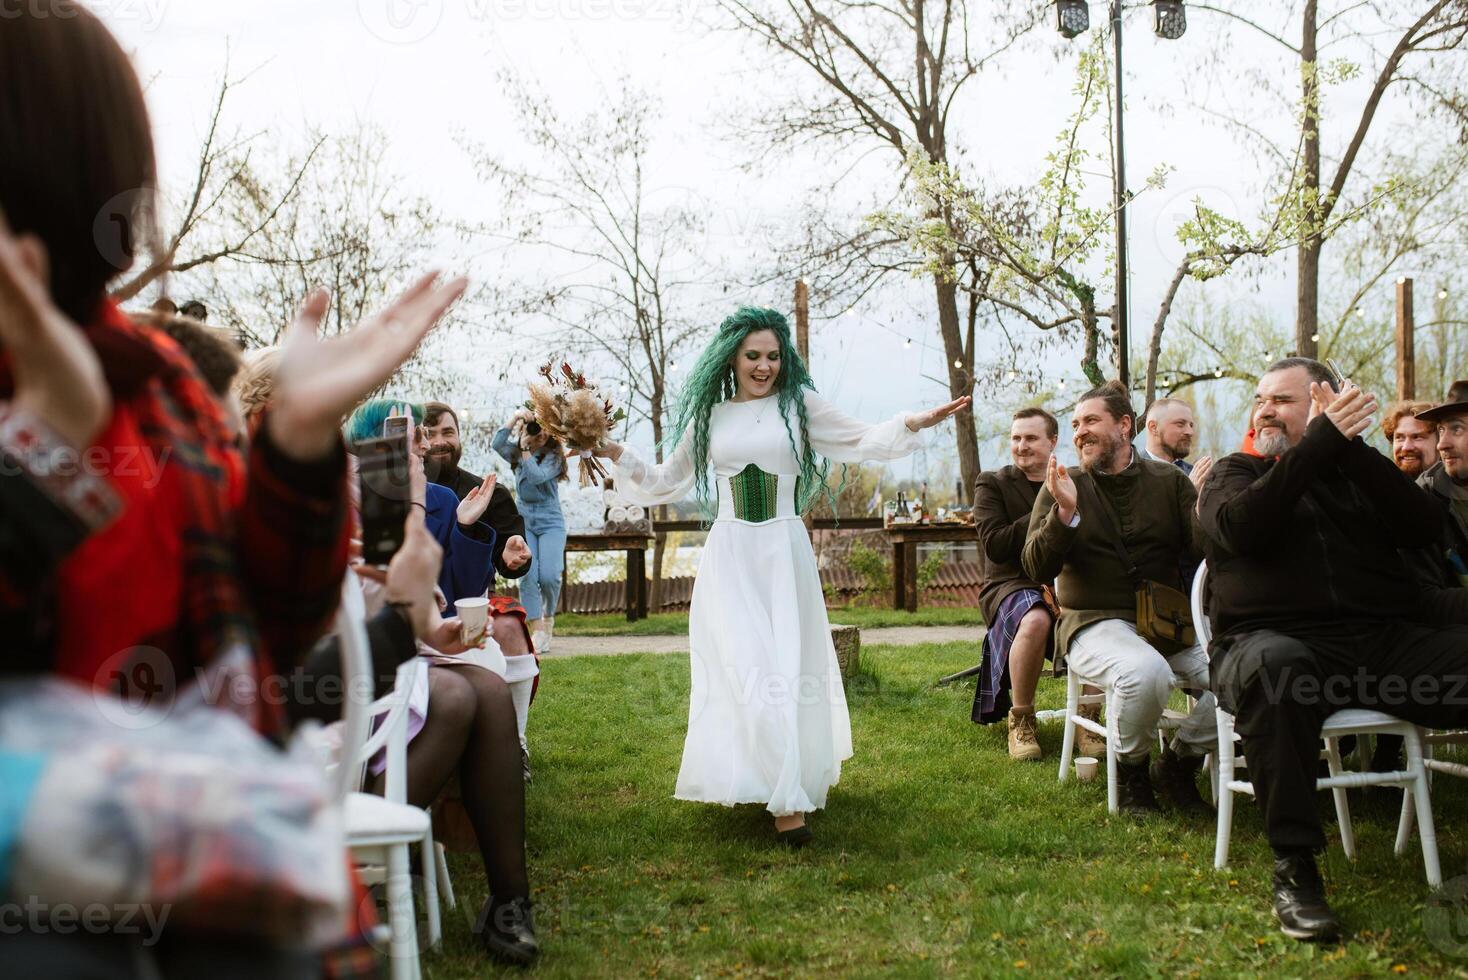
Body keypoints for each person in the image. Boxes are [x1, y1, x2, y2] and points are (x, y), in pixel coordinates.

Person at [0, 3, 467, 972]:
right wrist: (45, 445)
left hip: (204, 875)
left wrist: (299, 445)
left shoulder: (164, 385)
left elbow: (271, 639)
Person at [591, 306, 969, 844]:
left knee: (786, 670)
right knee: (745, 665)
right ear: (732, 358)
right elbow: (660, 481)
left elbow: (860, 439)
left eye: (772, 355)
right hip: (730, 557)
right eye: (753, 356)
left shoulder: (800, 407)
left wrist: (913, 422)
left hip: (783, 554)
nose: (763, 366)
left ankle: (788, 796)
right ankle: (767, 782)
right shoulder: (711, 417)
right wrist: (610, 448)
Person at [1198, 357, 1468, 943]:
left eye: (1284, 400)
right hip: (1269, 645)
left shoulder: (1355, 473)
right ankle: (1295, 870)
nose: (1265, 409)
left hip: (1379, 649)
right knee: (1279, 671)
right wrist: (1316, 447)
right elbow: (1241, 528)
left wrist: (1349, 450)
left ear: (1327, 407)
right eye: (1260, 398)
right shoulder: (1233, 474)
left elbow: (1424, 525)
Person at [1023, 381, 1216, 817]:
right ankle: (1131, 772)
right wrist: (1064, 515)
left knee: (1250, 676)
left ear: (1125, 425)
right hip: (1093, 623)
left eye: (1091, 420)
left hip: (1169, 624)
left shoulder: (1170, 481)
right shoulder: (1063, 484)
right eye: (1075, 424)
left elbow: (1204, 552)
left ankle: (1179, 763)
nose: (1080, 432)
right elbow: (1034, 567)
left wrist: (1205, 509)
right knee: (1144, 672)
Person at [971, 407, 1061, 762]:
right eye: (1016, 438)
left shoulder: (1076, 480)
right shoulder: (992, 483)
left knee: (1098, 612)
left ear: (1053, 442)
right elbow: (997, 545)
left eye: (1031, 438)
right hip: (1010, 584)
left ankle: (1088, 720)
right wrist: (1050, 503)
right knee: (1035, 616)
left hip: (1065, 582)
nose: (1021, 446)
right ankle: (1022, 719)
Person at [493, 410, 569, 652]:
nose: (541, 432)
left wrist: (526, 449)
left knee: (550, 575)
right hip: (524, 518)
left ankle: (548, 616)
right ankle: (537, 629)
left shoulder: (554, 457)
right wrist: (515, 418)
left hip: (550, 520)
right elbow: (496, 443)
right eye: (537, 426)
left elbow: (537, 478)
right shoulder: (517, 452)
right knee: (527, 574)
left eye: (546, 427)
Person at [1138, 397, 1213, 489]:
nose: (1190, 432)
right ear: (1153, 427)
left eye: (1191, 425)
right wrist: (1190, 492)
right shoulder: (1129, 475)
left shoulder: (1199, 476)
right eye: (1180, 424)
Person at [1383, 399, 1439, 479]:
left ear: (1440, 442)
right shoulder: (1378, 488)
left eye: (1417, 437)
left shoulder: (1458, 489)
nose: (1406, 447)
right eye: (1400, 438)